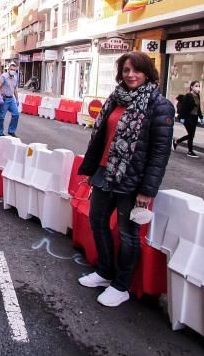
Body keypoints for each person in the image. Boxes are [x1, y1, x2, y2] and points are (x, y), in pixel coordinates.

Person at [76, 52, 174, 307]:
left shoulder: (159, 105)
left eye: (136, 70)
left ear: (148, 72)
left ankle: (121, 286)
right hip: (104, 172)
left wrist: (147, 190)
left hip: (132, 181)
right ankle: (105, 272)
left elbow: (159, 153)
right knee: (97, 222)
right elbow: (100, 138)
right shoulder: (116, 98)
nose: (131, 75)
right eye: (126, 70)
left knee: (127, 234)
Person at [174, 80, 203, 158]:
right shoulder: (188, 96)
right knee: (191, 135)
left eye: (199, 86)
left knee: (191, 135)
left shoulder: (198, 96)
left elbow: (198, 108)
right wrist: (182, 118)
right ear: (191, 87)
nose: (198, 88)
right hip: (187, 118)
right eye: (196, 86)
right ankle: (190, 151)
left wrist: (201, 118)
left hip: (194, 118)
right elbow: (184, 108)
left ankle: (176, 141)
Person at [0, 62, 20, 137]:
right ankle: (0, 133)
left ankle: (11, 131)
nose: (13, 71)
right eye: (11, 69)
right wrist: (0, 97)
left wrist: (17, 99)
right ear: (9, 69)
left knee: (16, 114)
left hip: (11, 99)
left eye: (14, 70)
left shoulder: (15, 77)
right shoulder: (4, 76)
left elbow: (15, 89)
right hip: (4, 99)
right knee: (1, 117)